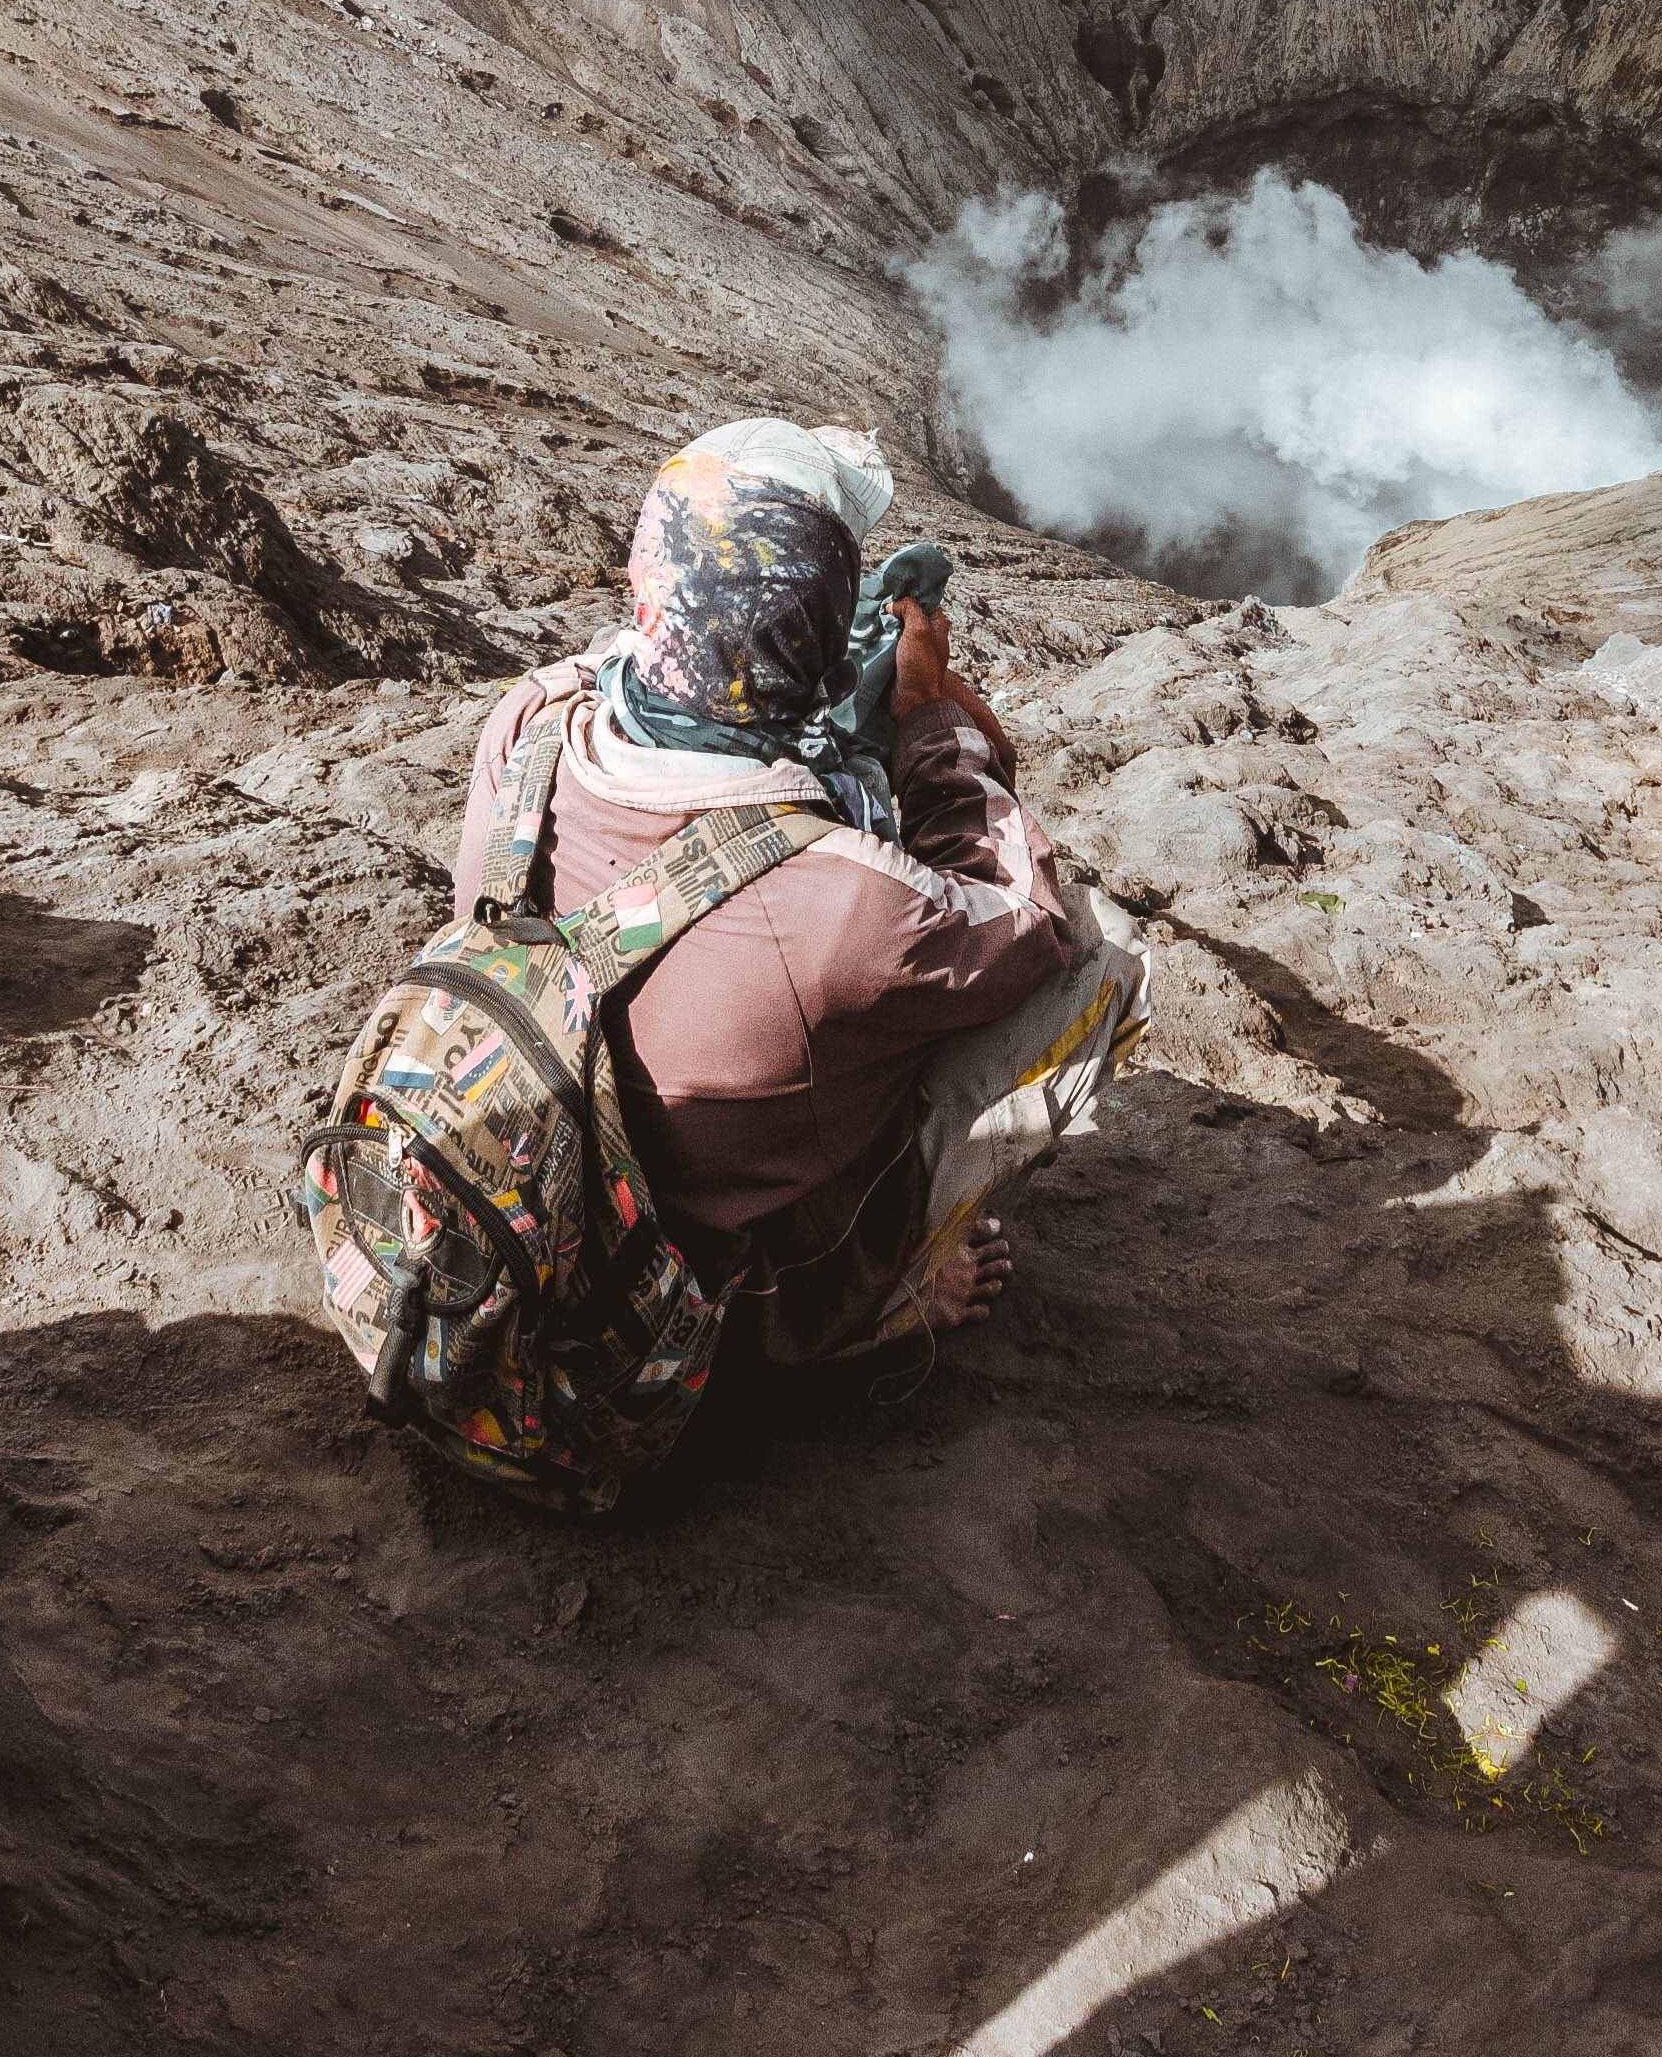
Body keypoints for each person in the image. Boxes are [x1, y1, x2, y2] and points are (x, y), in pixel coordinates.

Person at [451, 415, 1148, 1367]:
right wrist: (927, 713)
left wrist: (773, 629)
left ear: (646, 589)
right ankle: (878, 1299)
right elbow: (1030, 918)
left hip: (520, 1208)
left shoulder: (524, 728)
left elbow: (650, 649)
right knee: (1106, 956)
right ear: (822, 659)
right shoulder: (847, 905)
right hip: (671, 1333)